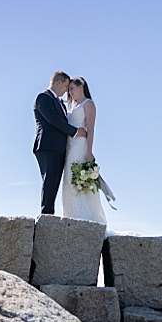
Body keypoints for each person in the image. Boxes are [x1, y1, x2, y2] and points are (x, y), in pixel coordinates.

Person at [33, 71, 87, 215]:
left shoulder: (60, 103)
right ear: (59, 82)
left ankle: (49, 215)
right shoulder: (43, 97)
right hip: (48, 145)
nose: (66, 92)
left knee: (55, 182)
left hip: (60, 148)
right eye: (66, 87)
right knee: (50, 180)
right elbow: (53, 118)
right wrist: (75, 131)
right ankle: (46, 215)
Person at [60, 77, 107, 224]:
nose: (70, 92)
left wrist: (89, 151)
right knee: (68, 180)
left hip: (80, 146)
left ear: (81, 87)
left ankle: (86, 217)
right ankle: (70, 215)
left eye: (72, 89)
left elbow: (91, 129)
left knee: (77, 180)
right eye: (69, 90)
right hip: (69, 147)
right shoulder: (72, 107)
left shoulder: (88, 104)